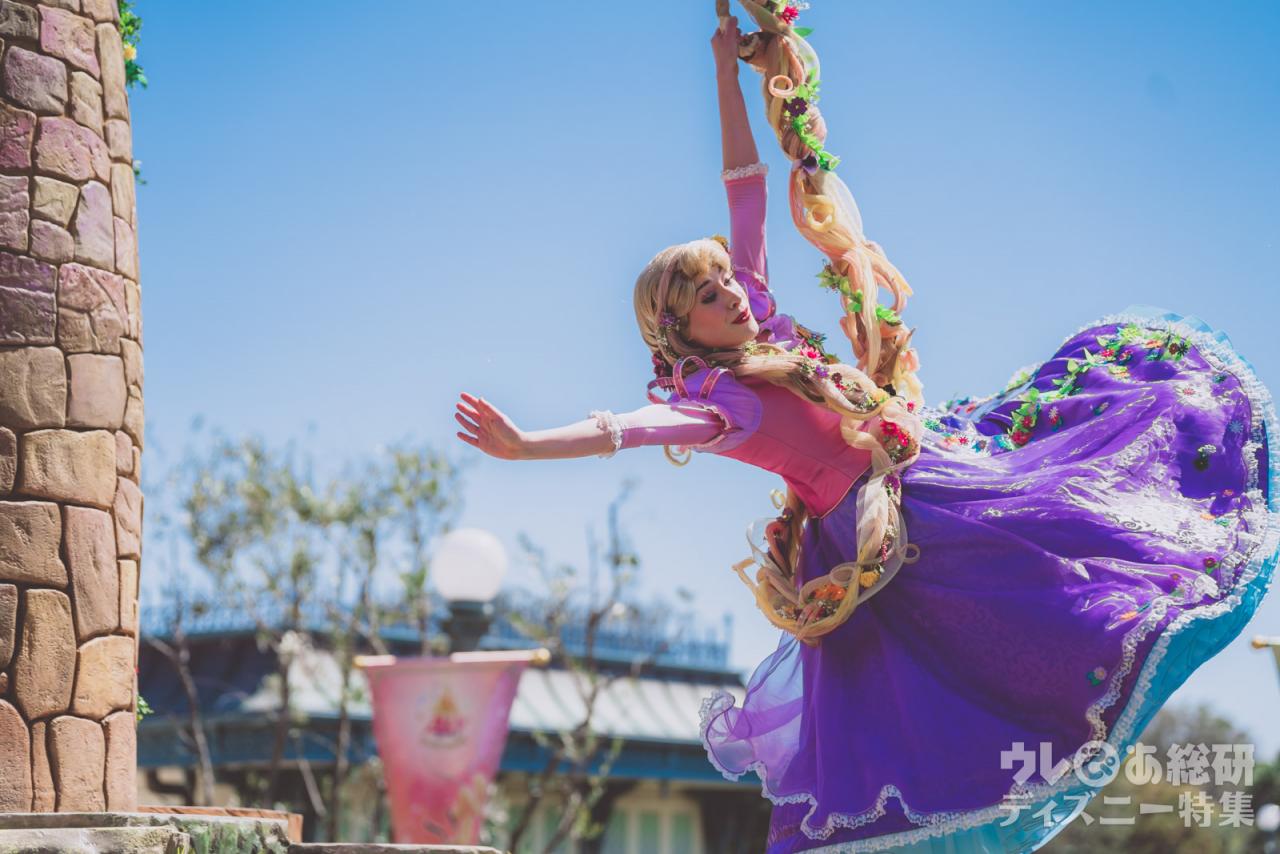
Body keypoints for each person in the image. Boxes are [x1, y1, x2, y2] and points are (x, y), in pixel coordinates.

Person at [455, 6, 1279, 852]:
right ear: (682, 331)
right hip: (877, 536)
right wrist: (525, 446)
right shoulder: (715, 402)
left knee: (1071, 518)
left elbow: (744, 184)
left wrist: (723, 71)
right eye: (708, 296)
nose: (731, 293)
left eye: (724, 282)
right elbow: (623, 428)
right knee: (964, 673)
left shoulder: (762, 324)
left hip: (916, 473)